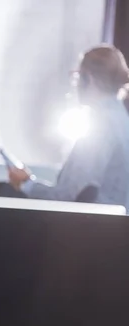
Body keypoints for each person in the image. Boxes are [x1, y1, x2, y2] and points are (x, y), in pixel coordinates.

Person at [8, 45, 129, 208]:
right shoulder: (123, 121)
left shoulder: (101, 126)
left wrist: (27, 184)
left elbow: (67, 198)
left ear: (88, 79)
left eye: (77, 77)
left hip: (92, 229)